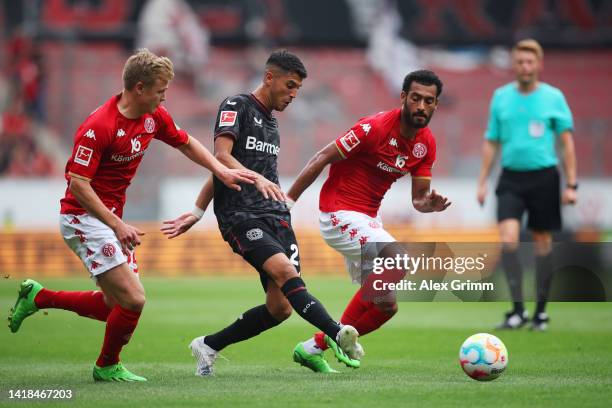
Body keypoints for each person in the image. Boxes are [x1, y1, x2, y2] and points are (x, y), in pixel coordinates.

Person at [7, 49, 257, 382]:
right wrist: (117, 224)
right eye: (159, 90)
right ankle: (106, 365)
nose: (164, 97)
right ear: (139, 88)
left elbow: (185, 143)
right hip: (84, 218)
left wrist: (219, 170)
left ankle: (38, 297)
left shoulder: (154, 116)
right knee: (134, 299)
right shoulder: (99, 127)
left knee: (116, 306)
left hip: (110, 218)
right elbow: (79, 185)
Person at [162, 50, 363, 376]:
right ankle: (337, 332)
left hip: (276, 217)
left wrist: (200, 209)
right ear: (270, 77)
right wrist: (201, 211)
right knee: (285, 272)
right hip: (241, 215)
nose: (294, 94)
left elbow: (223, 171)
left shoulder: (271, 122)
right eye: (290, 85)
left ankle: (209, 345)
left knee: (280, 308)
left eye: (298, 88)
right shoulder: (236, 105)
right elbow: (220, 158)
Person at [283, 69, 450, 372]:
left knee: (386, 306)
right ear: (403, 98)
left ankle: (313, 347)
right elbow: (320, 157)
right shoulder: (373, 128)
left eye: (429, 101)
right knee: (398, 261)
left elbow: (419, 198)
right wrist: (287, 202)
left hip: (369, 219)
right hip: (337, 213)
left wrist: (430, 205)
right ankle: (338, 336)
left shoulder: (426, 144)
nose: (421, 106)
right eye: (416, 98)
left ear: (436, 105)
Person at [477, 39, 577, 331]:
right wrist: (482, 181)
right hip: (510, 178)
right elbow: (492, 140)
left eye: (530, 61)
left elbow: (566, 143)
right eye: (520, 61)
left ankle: (541, 313)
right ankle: (518, 311)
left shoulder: (553, 97)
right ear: (514, 64)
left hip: (544, 177)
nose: (525, 66)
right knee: (508, 239)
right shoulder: (501, 97)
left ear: (539, 64)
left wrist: (572, 184)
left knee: (542, 243)